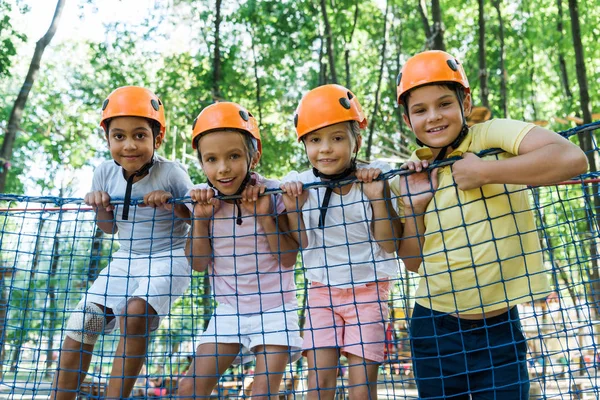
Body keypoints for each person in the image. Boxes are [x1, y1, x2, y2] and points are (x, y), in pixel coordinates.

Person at [392, 50, 588, 399]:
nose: (434, 117)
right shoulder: (414, 171)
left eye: (444, 103)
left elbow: (572, 158)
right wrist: (412, 207)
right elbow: (412, 262)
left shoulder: (491, 136)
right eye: (420, 110)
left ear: (465, 102)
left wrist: (486, 172)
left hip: (500, 330)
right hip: (434, 330)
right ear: (408, 120)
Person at [51, 86, 193, 400]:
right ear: (108, 139)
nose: (129, 145)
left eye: (140, 135)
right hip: (126, 258)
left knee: (134, 314)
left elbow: (197, 217)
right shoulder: (104, 172)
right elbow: (109, 228)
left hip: (170, 257)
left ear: (157, 138)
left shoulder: (173, 173)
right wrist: (101, 206)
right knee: (82, 322)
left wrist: (174, 204)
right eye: (119, 136)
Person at [280, 84, 400, 399]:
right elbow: (303, 242)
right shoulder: (302, 184)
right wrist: (293, 209)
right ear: (304, 144)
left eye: (337, 138)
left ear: (355, 141)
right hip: (322, 293)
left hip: (369, 290)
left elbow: (389, 244)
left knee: (361, 388)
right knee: (318, 385)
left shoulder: (375, 178)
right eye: (315, 140)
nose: (326, 149)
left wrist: (377, 199)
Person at [176, 102, 303, 399]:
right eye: (211, 159)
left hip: (275, 308)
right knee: (188, 388)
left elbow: (287, 258)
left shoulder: (273, 193)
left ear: (254, 156)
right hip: (229, 311)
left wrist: (263, 216)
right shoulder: (203, 200)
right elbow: (197, 263)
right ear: (202, 163)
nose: (223, 168)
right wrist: (200, 219)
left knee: (261, 393)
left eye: (233, 156)